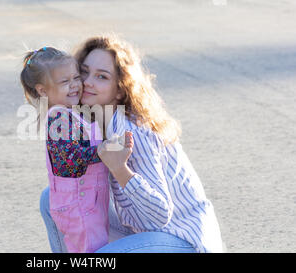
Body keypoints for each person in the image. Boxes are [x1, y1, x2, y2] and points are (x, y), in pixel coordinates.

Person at [39, 36, 224, 253]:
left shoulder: (133, 131)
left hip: (182, 238)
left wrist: (121, 170)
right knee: (51, 198)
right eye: (84, 72)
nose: (88, 82)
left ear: (119, 89)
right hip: (141, 230)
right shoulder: (93, 121)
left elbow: (159, 216)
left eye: (102, 77)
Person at [20, 46, 134, 253]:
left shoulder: (73, 113)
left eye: (75, 78)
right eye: (65, 82)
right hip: (77, 206)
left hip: (88, 202)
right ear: (43, 90)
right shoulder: (59, 117)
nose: (74, 86)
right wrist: (105, 149)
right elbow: (68, 162)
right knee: (90, 250)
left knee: (95, 247)